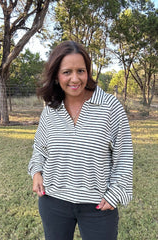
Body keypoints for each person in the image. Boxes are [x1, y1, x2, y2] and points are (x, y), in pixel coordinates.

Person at [28, 40, 133, 240]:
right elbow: (40, 149)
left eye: (81, 71)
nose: (75, 78)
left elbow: (124, 155)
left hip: (98, 206)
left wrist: (115, 193)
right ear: (56, 76)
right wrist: (36, 172)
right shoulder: (51, 110)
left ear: (88, 73)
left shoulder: (110, 107)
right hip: (53, 201)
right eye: (67, 72)